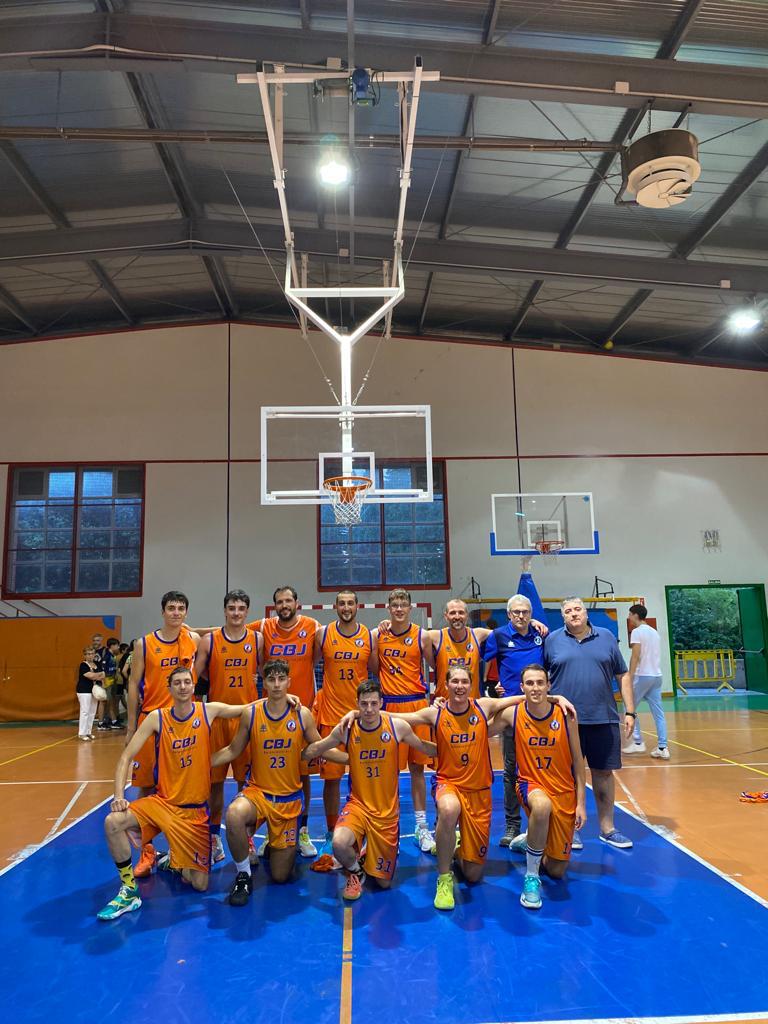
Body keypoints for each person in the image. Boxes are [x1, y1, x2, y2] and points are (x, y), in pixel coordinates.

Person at [379, 666, 575, 911]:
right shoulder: (434, 712)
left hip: (479, 792)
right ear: (446, 685)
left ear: (470, 685)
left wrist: (557, 697)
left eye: (464, 681)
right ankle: (444, 878)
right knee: (449, 810)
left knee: (473, 875)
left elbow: (524, 696)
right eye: (454, 681)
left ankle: (455, 846)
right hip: (448, 783)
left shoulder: (483, 706)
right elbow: (401, 718)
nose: (459, 686)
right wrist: (363, 712)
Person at [96, 666, 246, 920]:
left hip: (194, 813)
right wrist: (118, 796)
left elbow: (246, 708)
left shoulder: (207, 711)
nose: (183, 686)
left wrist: (282, 697)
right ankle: (129, 890)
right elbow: (125, 757)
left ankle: (171, 861)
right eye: (177, 683)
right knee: (113, 822)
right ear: (170, 688)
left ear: (193, 685)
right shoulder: (157, 718)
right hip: (163, 804)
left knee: (199, 884)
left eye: (187, 681)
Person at [213, 659, 344, 905]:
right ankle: (243, 874)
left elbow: (318, 747)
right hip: (258, 794)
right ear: (264, 682)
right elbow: (232, 750)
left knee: (281, 876)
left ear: (289, 682)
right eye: (271, 679)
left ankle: (281, 843)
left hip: (288, 801)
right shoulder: (251, 713)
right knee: (233, 815)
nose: (276, 684)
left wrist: (352, 758)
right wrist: (200, 763)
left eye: (281, 679)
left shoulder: (301, 713)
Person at [303, 679, 437, 901]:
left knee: (384, 883)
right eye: (364, 704)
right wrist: (298, 750)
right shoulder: (347, 729)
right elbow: (320, 747)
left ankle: (367, 853)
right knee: (338, 843)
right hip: (358, 806)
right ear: (357, 704)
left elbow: (425, 748)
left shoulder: (396, 727)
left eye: (374, 704)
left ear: (382, 703)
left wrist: (452, 746)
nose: (369, 709)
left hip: (386, 814)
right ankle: (356, 872)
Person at [544, 596, 635, 849]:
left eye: (578, 609)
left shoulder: (606, 636)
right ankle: (570, 828)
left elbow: (622, 673)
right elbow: (540, 677)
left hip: (602, 716)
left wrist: (630, 711)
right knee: (567, 776)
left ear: (586, 613)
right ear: (563, 617)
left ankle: (607, 829)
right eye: (568, 611)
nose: (574, 614)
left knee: (604, 773)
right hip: (564, 720)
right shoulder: (552, 640)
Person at [126, 590, 200, 876]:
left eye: (181, 608)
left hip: (182, 725)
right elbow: (133, 685)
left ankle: (178, 848)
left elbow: (213, 633)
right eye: (171, 608)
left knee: (179, 789)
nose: (176, 612)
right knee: (145, 788)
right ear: (162, 611)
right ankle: (147, 852)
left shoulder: (192, 640)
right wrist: (132, 726)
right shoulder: (144, 643)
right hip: (151, 720)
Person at [505, 664, 587, 910]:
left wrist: (581, 802)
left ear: (549, 685)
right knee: (541, 807)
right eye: (529, 683)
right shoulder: (514, 713)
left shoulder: (565, 714)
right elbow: (479, 723)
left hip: (563, 791)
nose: (535, 687)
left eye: (540, 683)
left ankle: (530, 839)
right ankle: (531, 877)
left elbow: (578, 761)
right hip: (531, 785)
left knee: (557, 870)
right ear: (522, 688)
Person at [250, 586, 322, 858]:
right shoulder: (265, 627)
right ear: (274, 606)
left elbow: (331, 641)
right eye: (279, 601)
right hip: (273, 711)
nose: (284, 605)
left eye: (288, 600)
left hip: (302, 712)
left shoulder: (312, 626)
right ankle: (271, 832)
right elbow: (230, 628)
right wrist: (189, 630)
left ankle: (301, 831)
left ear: (297, 603)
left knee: (302, 775)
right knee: (270, 774)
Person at [194, 589, 261, 864]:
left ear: (247, 612)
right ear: (225, 610)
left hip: (247, 719)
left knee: (248, 785)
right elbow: (192, 676)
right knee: (215, 784)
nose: (236, 612)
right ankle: (212, 838)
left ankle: (247, 839)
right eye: (231, 608)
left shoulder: (258, 639)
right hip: (217, 719)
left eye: (241, 608)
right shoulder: (210, 641)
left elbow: (270, 674)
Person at [311, 589, 375, 872]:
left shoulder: (369, 636)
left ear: (357, 606)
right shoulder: (322, 635)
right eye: (342, 604)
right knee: (332, 780)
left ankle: (363, 831)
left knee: (362, 778)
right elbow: (312, 665)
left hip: (362, 718)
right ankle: (329, 832)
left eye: (351, 603)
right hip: (331, 716)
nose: (346, 607)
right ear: (335, 606)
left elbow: (373, 670)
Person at [371, 588, 436, 852]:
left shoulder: (422, 636)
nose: (398, 609)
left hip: (417, 704)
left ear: (410, 608)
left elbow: (436, 667)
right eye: (394, 605)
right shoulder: (378, 635)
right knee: (389, 771)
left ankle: (422, 827)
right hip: (390, 707)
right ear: (388, 608)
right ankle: (389, 826)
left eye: (403, 605)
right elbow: (374, 669)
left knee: (418, 769)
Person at [482, 594, 546, 848]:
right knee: (511, 770)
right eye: (516, 612)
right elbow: (482, 664)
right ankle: (512, 824)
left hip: (539, 712)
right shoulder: (498, 636)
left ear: (531, 613)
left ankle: (538, 822)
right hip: (511, 713)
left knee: (539, 768)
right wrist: (488, 690)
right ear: (509, 614)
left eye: (525, 612)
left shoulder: (541, 635)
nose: (521, 616)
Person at [623, 604, 670, 760]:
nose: (629, 617)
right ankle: (663, 747)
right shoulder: (654, 632)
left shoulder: (637, 632)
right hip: (657, 676)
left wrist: (629, 676)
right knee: (659, 713)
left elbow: (635, 656)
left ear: (636, 615)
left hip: (643, 675)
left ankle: (638, 743)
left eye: (630, 614)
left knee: (629, 706)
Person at [76, 646, 104, 741]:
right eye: (88, 654)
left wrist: (98, 675)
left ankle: (88, 732)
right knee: (85, 711)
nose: (90, 656)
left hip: (94, 691)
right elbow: (90, 676)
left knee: (92, 712)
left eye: (92, 653)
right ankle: (82, 733)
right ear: (84, 655)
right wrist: (98, 675)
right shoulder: (83, 665)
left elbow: (103, 675)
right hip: (84, 690)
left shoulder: (97, 664)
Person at [97, 637, 122, 731]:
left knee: (111, 702)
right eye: (117, 645)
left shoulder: (113, 656)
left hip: (112, 682)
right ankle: (100, 723)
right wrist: (103, 682)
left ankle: (113, 721)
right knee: (104, 701)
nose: (118, 647)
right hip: (106, 682)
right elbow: (102, 670)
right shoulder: (107, 656)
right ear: (112, 646)